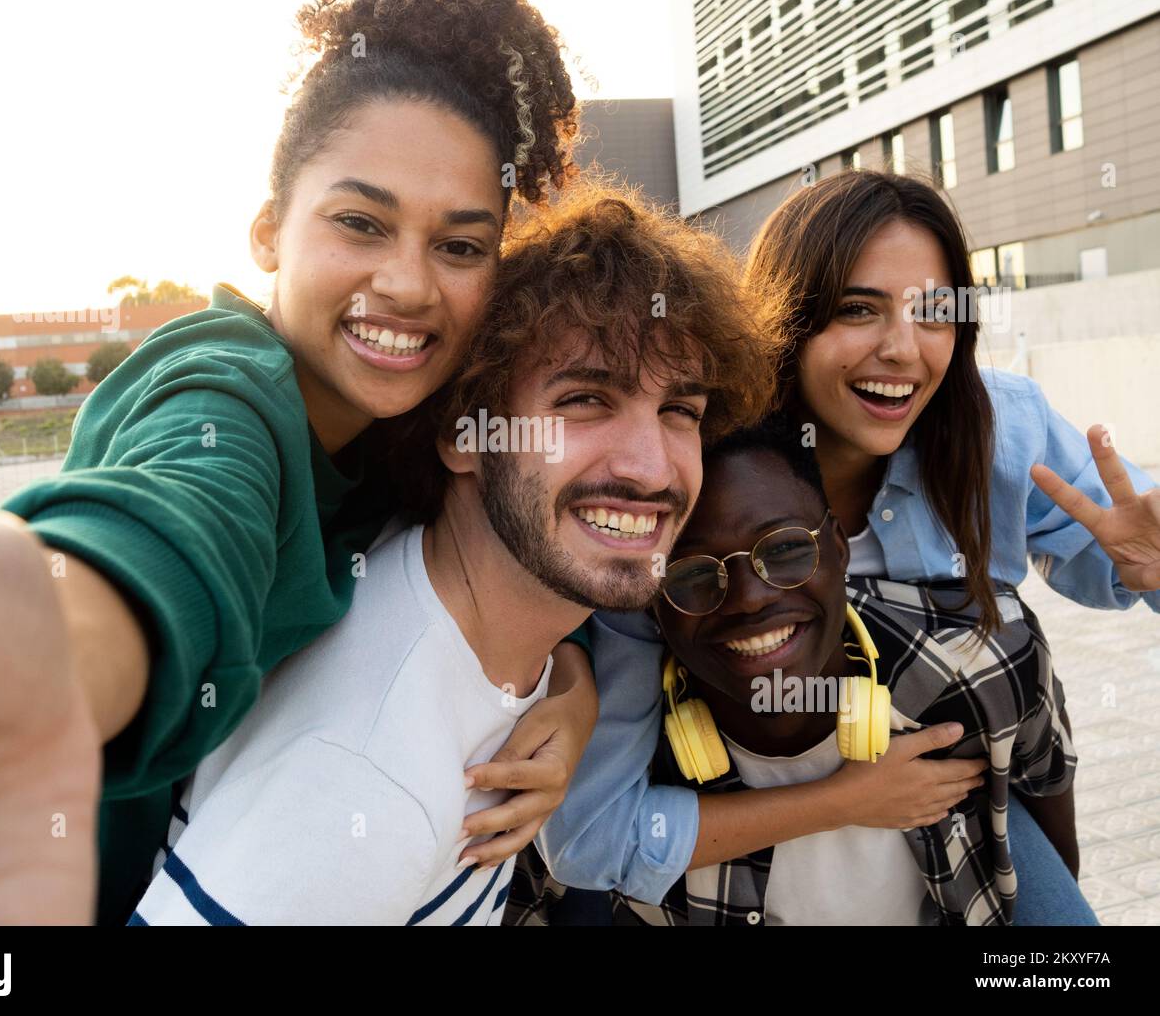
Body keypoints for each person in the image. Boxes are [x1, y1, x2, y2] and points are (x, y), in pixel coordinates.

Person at [0, 0, 597, 926]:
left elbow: (530, 564)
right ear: (266, 232)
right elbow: (170, 540)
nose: (409, 284)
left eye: (459, 246)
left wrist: (572, 690)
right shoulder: (224, 393)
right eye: (360, 223)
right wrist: (9, 661)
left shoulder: (413, 420)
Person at [495, 171, 1158, 925]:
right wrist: (576, 676)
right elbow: (596, 813)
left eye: (934, 312)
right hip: (734, 798)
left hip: (939, 789)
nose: (902, 349)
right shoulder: (695, 462)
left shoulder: (998, 430)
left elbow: (1125, 550)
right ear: (785, 318)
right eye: (856, 309)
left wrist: (1153, 570)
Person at [129, 180, 784, 924]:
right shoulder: (362, 784)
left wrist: (574, 687)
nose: (651, 467)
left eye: (679, 410)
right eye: (584, 400)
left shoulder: (436, 592)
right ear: (463, 436)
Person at [514, 414, 1075, 925]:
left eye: (784, 550)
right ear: (651, 605)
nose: (750, 599)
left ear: (840, 547)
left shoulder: (985, 661)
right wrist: (841, 802)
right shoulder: (620, 767)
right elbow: (574, 859)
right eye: (693, 575)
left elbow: (1052, 854)